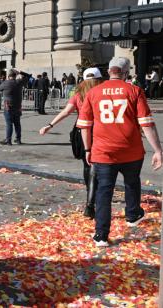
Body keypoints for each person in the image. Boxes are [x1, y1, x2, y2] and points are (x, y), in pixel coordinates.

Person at [76, 57, 162, 247]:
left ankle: (101, 234)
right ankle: (132, 214)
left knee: (104, 191)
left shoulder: (93, 93)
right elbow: (146, 123)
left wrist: (88, 149)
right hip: (131, 149)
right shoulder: (134, 91)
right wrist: (158, 150)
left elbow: (84, 126)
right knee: (132, 182)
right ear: (125, 73)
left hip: (103, 151)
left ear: (109, 71)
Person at [39, 67, 104, 218]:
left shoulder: (78, 93)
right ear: (100, 79)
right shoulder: (103, 92)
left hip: (81, 130)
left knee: (87, 165)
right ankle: (96, 199)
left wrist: (50, 125)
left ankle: (90, 200)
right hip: (102, 129)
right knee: (103, 165)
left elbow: (66, 111)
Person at [0, 70, 23, 145]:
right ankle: (18, 139)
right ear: (15, 76)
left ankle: (8, 140)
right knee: (17, 124)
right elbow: (26, 77)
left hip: (8, 106)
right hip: (18, 106)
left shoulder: (6, 83)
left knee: (9, 124)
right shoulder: (19, 82)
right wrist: (19, 73)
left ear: (8, 76)